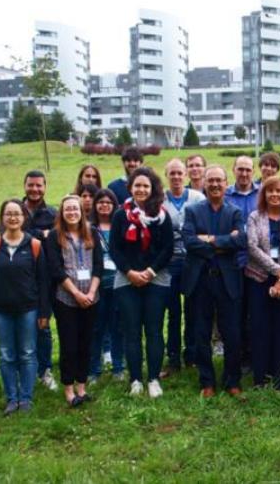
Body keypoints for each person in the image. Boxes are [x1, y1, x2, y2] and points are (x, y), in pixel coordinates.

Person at [181, 165, 247, 398]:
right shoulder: (192, 210)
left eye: (220, 180)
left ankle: (232, 381)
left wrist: (208, 240)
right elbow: (189, 242)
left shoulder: (235, 212)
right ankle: (206, 382)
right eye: (211, 181)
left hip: (228, 280)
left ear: (226, 182)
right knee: (201, 332)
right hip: (200, 281)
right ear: (205, 183)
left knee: (232, 333)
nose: (215, 185)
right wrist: (222, 243)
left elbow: (241, 241)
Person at [0, 200, 51, 415]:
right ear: (2, 217)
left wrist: (44, 312)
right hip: (1, 311)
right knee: (6, 355)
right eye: (8, 214)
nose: (12, 218)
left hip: (28, 310)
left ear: (24, 218)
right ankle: (12, 398)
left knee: (28, 353)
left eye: (17, 214)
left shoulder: (34, 245)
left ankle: (26, 398)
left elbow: (43, 282)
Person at [109, 166, 174, 398]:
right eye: (137, 185)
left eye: (146, 185)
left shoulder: (162, 215)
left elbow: (168, 248)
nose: (141, 189)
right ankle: (136, 378)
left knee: (155, 330)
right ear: (130, 187)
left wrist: (149, 271)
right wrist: (130, 272)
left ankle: (154, 378)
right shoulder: (119, 215)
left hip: (156, 279)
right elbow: (114, 248)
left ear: (152, 188)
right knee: (132, 331)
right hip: (127, 280)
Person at [46, 195, 103, 407]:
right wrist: (76, 294)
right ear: (62, 212)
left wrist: (91, 292)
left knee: (85, 343)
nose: (72, 212)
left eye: (75, 209)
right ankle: (69, 389)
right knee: (69, 344)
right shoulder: (54, 236)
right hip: (66, 299)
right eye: (68, 209)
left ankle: (82, 386)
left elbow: (98, 265)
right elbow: (56, 269)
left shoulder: (92, 233)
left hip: (91, 297)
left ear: (81, 211)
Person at [245, 176, 280, 390]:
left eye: (279, 191)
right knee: (260, 327)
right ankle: (261, 377)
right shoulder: (254, 217)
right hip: (259, 279)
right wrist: (279, 271)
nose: (275, 195)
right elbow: (252, 247)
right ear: (264, 194)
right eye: (270, 191)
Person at [161, 158, 205, 377]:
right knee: (173, 313)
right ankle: (173, 358)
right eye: (172, 173)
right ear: (166, 175)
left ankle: (192, 355)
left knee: (192, 311)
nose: (177, 177)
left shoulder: (197, 198)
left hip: (192, 263)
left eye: (180, 173)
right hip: (168, 266)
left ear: (186, 175)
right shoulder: (159, 200)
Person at [20, 170, 59, 392]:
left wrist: (32, 234)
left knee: (43, 325)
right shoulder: (15, 210)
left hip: (45, 278)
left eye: (39, 186)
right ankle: (24, 369)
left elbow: (54, 240)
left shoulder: (52, 213)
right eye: (31, 185)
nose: (35, 189)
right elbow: (11, 235)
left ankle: (44, 370)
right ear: (24, 185)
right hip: (19, 278)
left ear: (45, 187)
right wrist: (39, 234)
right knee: (22, 326)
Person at [225, 155, 260, 368]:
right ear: (233, 169)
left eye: (248, 169)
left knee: (254, 311)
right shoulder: (226, 195)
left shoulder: (262, 194)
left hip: (257, 262)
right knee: (235, 311)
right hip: (233, 262)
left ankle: (253, 354)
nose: (244, 173)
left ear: (253, 171)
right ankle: (238, 356)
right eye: (240, 169)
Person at [87, 189, 125, 382]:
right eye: (100, 202)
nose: (104, 205)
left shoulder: (120, 225)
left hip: (118, 283)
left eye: (108, 202)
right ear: (95, 205)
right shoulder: (88, 228)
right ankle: (94, 370)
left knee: (118, 327)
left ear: (114, 205)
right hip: (97, 284)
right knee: (97, 328)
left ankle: (118, 367)